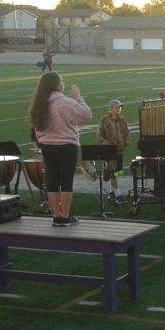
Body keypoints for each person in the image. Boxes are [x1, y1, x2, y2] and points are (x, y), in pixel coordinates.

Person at [28, 72, 92, 226]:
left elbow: (36, 128)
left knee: (52, 181)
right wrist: (78, 97)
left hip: (47, 146)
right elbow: (87, 114)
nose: (63, 84)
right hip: (67, 146)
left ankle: (56, 216)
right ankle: (65, 215)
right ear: (56, 85)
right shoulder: (65, 102)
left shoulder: (38, 104)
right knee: (66, 181)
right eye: (61, 81)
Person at [96, 99, 131, 204]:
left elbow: (127, 132)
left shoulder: (122, 120)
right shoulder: (105, 120)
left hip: (119, 150)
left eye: (119, 107)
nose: (118, 109)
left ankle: (111, 192)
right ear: (110, 109)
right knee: (113, 173)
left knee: (117, 172)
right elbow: (99, 134)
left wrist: (126, 142)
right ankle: (118, 193)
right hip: (109, 150)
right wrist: (105, 142)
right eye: (116, 107)